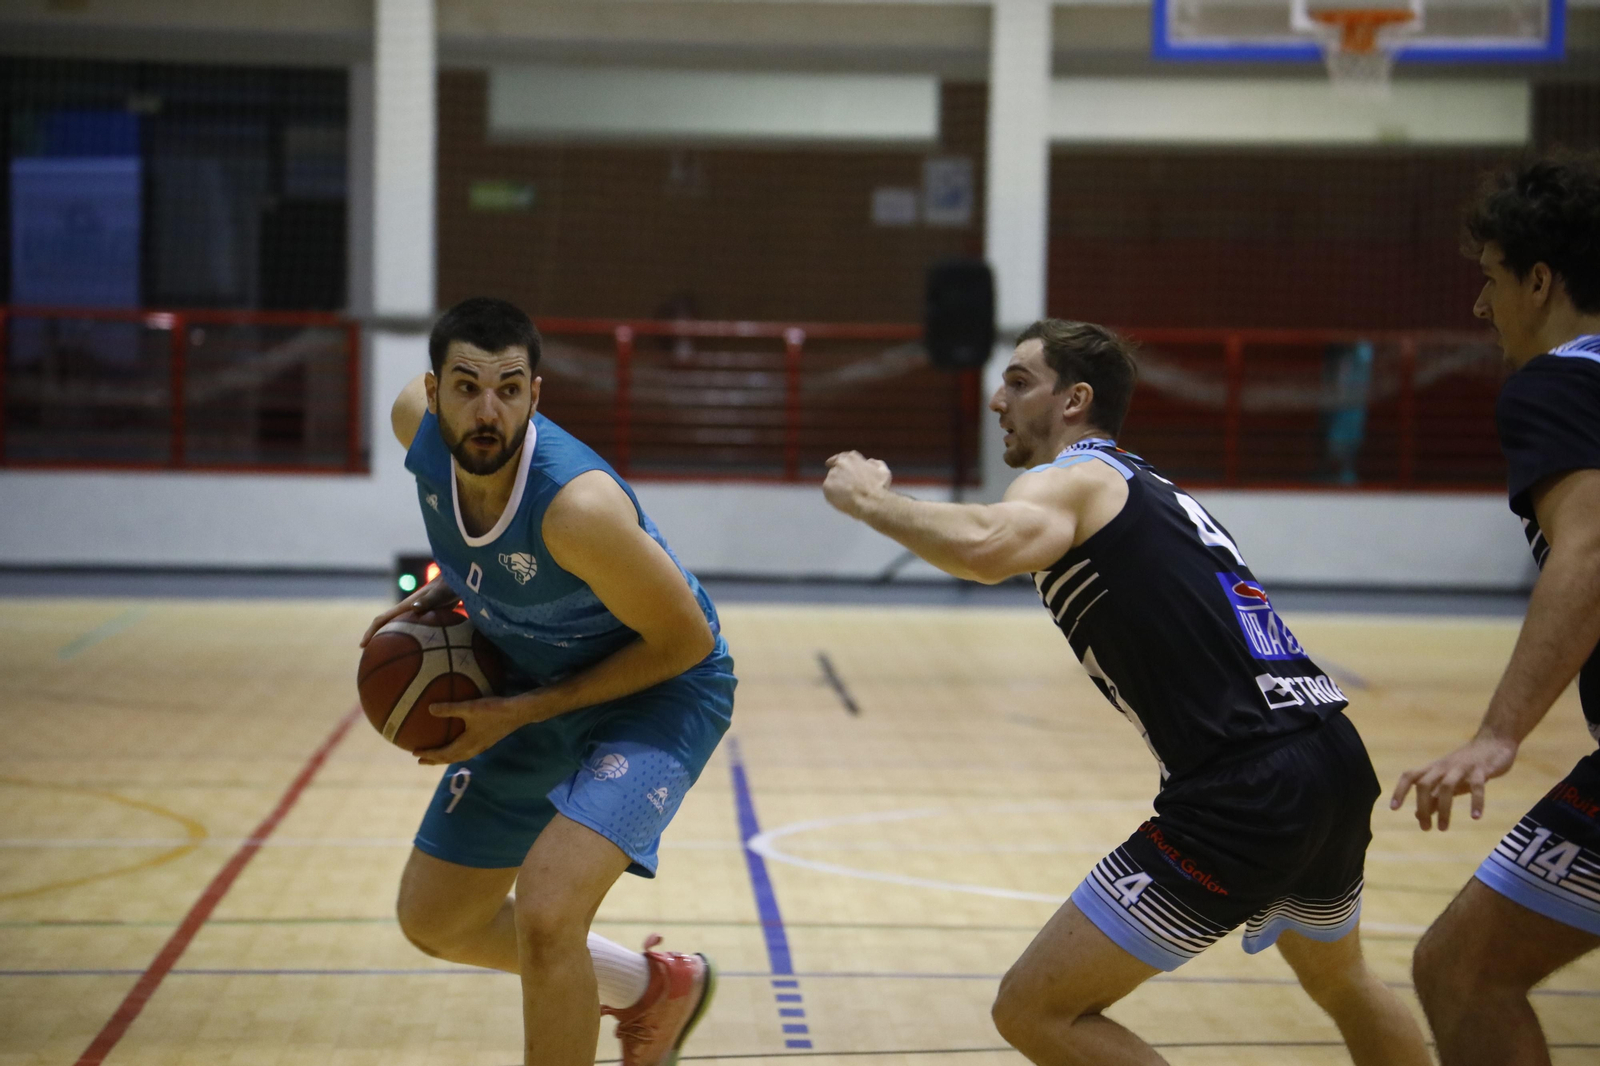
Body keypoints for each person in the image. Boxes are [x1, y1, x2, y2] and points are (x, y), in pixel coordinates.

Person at [822, 319, 1430, 1065]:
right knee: (1343, 980)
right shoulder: (1145, 482)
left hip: (1246, 789)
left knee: (1036, 1009)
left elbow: (985, 547)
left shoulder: (1072, 477)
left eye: (1019, 382)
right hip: (1330, 757)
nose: (997, 401)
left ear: (1075, 400)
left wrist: (869, 500)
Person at [359, 297, 736, 1066]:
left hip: (658, 692)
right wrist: (442, 591)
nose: (487, 410)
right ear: (432, 394)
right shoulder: (414, 430)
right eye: (466, 387)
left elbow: (686, 641)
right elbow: (485, 551)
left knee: (548, 908)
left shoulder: (576, 510)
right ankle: (652, 987)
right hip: (535, 676)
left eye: (509, 389)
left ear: (536, 395)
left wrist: (527, 709)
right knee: (437, 917)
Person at [1392, 154, 1600, 1066]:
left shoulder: (1560, 383)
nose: (1481, 307)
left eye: (1491, 278)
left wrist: (1498, 733)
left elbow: (1592, 549)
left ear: (1540, 281)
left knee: (1462, 970)